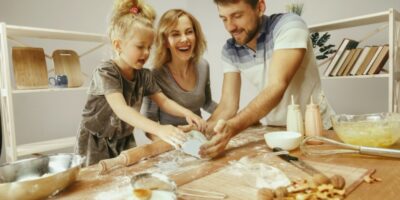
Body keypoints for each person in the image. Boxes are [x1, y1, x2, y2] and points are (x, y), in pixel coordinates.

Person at [75, 0, 206, 166]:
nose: (146, 53)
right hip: (95, 141)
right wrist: (159, 129)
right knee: (96, 183)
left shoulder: (144, 75)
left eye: (149, 47)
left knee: (125, 177)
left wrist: (187, 113)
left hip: (123, 138)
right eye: (140, 46)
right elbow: (122, 110)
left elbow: (164, 101)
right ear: (118, 45)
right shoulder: (106, 72)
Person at [200, 0, 335, 158]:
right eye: (224, 19)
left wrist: (232, 127)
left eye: (237, 16)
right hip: (274, 133)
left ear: (260, 7)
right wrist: (202, 130)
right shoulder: (230, 50)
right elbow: (227, 106)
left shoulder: (289, 25)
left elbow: (276, 86)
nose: (230, 27)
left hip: (314, 129)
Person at [144, 9, 217, 139]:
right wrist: (170, 146)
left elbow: (207, 103)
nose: (184, 39)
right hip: (172, 143)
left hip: (199, 137)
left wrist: (235, 116)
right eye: (175, 34)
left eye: (189, 32)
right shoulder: (154, 75)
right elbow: (150, 123)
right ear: (165, 41)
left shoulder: (203, 66)